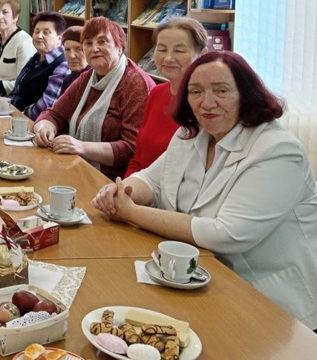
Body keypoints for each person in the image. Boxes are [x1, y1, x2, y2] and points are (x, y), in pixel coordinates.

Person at [92, 52, 317, 330]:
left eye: (221, 90)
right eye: (195, 91)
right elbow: (152, 180)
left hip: (269, 304)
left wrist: (132, 212)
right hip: (198, 281)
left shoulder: (278, 151)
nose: (206, 102)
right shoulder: (192, 133)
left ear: (246, 95)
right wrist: (120, 193)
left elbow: (225, 233)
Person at [33, 17, 154, 178]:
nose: (94, 48)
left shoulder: (136, 84)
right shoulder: (87, 78)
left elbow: (132, 148)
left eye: (102, 42)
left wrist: (81, 147)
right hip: (78, 168)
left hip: (115, 180)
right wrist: (44, 128)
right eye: (88, 43)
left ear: (119, 47)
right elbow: (54, 114)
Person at [124, 18, 208, 177]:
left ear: (202, 54)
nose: (168, 58)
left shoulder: (207, 104)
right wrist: (125, 189)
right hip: (139, 189)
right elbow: (139, 158)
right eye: (162, 49)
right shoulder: (156, 93)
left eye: (179, 50)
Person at [7, 11, 70, 118]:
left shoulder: (62, 64)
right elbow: (17, 89)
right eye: (36, 31)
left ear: (60, 38)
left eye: (46, 33)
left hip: (33, 123)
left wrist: (18, 115)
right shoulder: (36, 58)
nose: (39, 36)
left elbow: (47, 105)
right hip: (13, 114)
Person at [56, 25, 89, 98]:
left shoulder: (94, 81)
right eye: (67, 49)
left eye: (79, 49)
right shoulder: (68, 80)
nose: (71, 56)